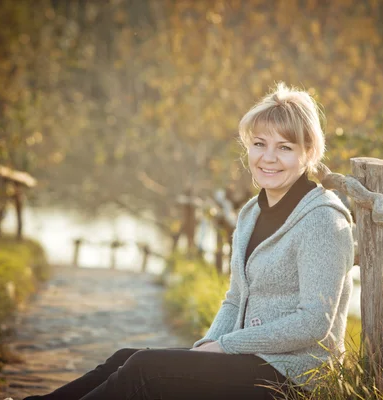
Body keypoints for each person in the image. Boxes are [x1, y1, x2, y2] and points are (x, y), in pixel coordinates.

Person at [22, 83, 354, 400]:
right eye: (259, 144)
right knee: (126, 356)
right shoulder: (251, 213)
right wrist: (207, 346)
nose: (268, 157)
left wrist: (225, 346)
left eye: (284, 147)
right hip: (250, 360)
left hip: (296, 379)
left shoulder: (323, 220)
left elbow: (314, 322)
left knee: (145, 369)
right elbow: (236, 300)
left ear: (308, 152)